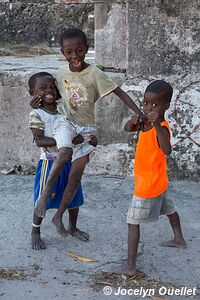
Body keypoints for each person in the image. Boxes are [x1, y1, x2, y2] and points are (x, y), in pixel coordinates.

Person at [31, 28, 146, 236]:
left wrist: (139, 112)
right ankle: (46, 191)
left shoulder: (95, 73)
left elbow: (119, 92)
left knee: (75, 179)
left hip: (86, 130)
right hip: (65, 123)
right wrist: (36, 105)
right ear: (62, 52)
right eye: (69, 52)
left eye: (79, 50)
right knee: (64, 152)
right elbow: (48, 95)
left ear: (86, 49)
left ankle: (60, 216)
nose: (74, 56)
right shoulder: (60, 74)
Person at [114, 80, 187, 275]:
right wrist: (133, 122)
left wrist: (155, 124)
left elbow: (167, 150)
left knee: (132, 221)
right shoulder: (145, 123)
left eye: (154, 105)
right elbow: (127, 129)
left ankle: (130, 266)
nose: (148, 108)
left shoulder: (161, 127)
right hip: (158, 182)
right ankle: (179, 239)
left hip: (147, 186)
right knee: (169, 208)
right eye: (146, 103)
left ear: (166, 106)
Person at [28, 72, 97, 250]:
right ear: (33, 92)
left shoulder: (63, 108)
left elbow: (78, 127)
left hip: (70, 161)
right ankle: (35, 232)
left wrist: (89, 138)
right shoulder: (37, 113)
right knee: (42, 199)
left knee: (74, 195)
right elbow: (39, 140)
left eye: (52, 86)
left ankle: (73, 227)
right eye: (43, 88)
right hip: (49, 163)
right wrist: (64, 143)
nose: (49, 90)